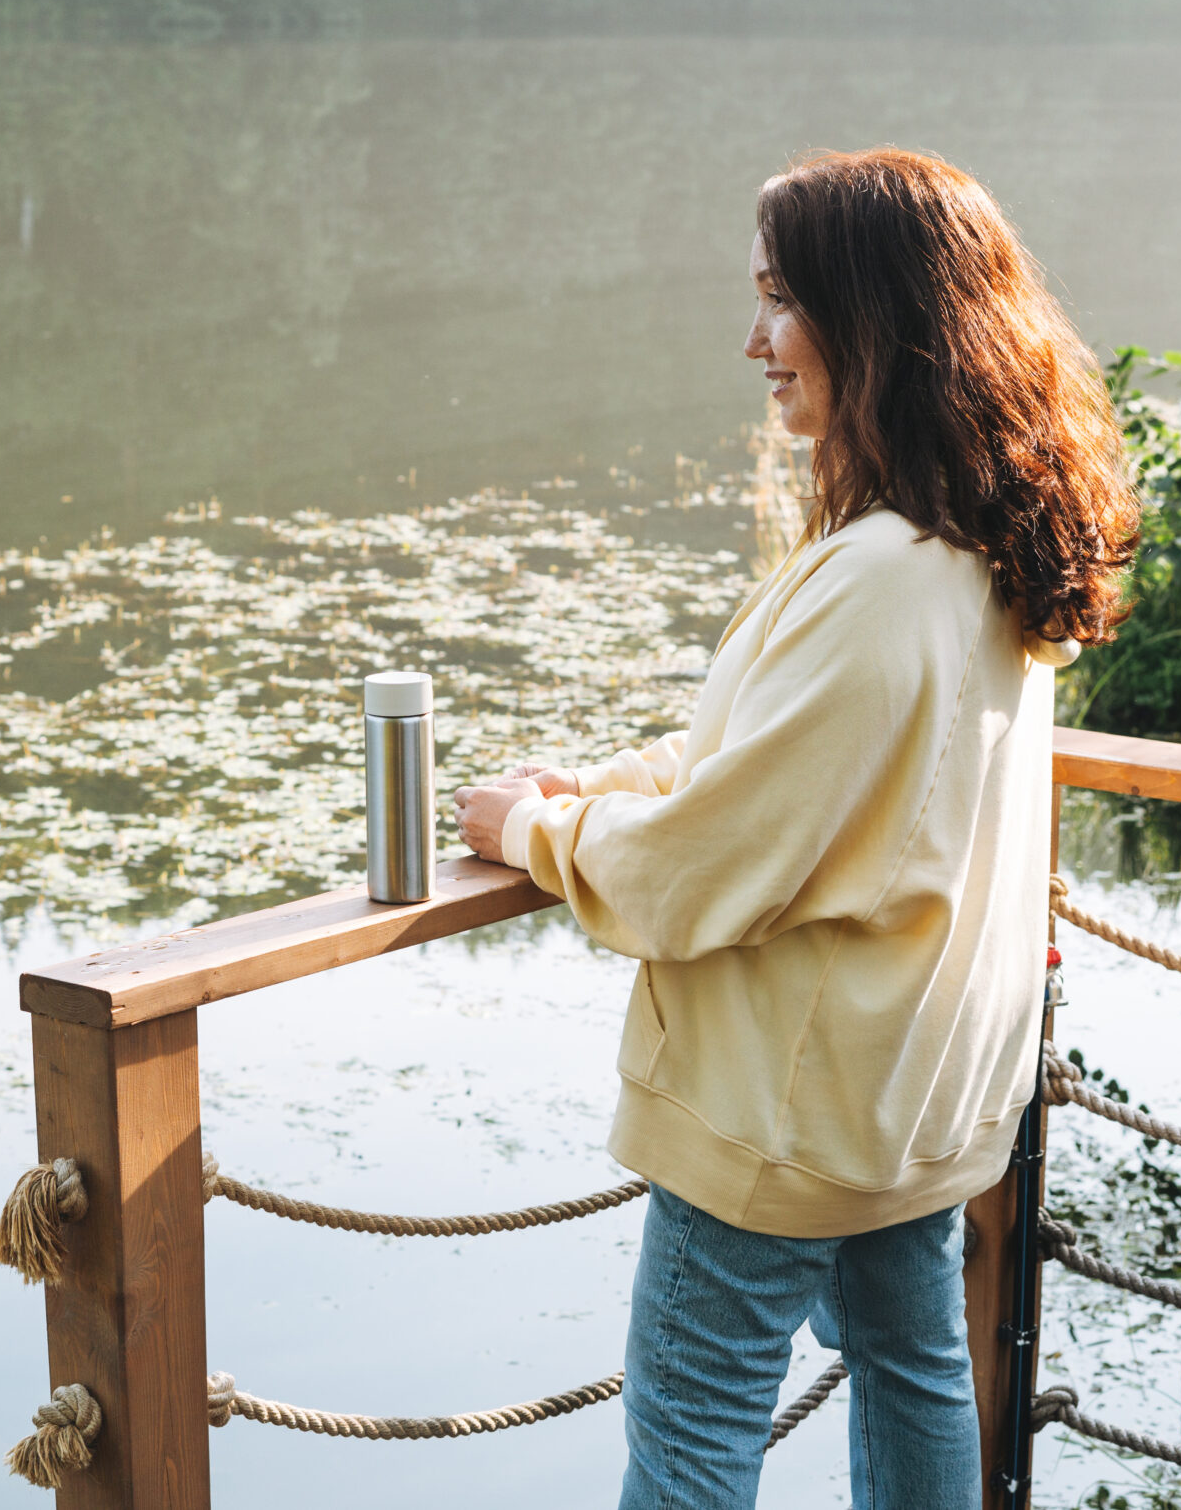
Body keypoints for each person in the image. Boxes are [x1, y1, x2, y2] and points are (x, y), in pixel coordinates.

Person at [451, 148, 1138, 1510]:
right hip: (909, 1094)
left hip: (785, 1108)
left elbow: (714, 858)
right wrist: (594, 785)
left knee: (694, 1435)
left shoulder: (883, 579)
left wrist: (535, 833)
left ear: (873, 318)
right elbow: (780, 768)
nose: (753, 341)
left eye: (779, 301)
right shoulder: (976, 550)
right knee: (916, 1370)